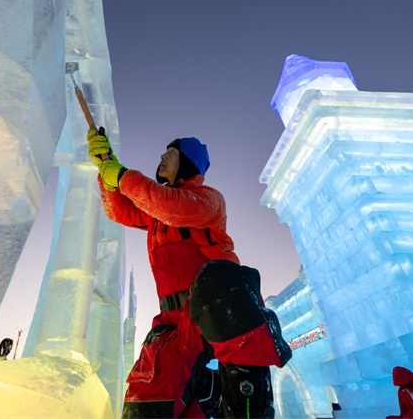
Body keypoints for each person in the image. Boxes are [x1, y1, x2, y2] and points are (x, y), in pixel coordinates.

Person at [87, 129, 292, 419]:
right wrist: (105, 164)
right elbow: (121, 210)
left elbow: (170, 205)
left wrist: (121, 176)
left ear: (187, 163)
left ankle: (247, 401)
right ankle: (204, 391)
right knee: (148, 392)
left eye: (171, 153)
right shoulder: (156, 211)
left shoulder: (207, 200)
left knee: (220, 279)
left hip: (218, 313)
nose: (162, 156)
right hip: (174, 322)